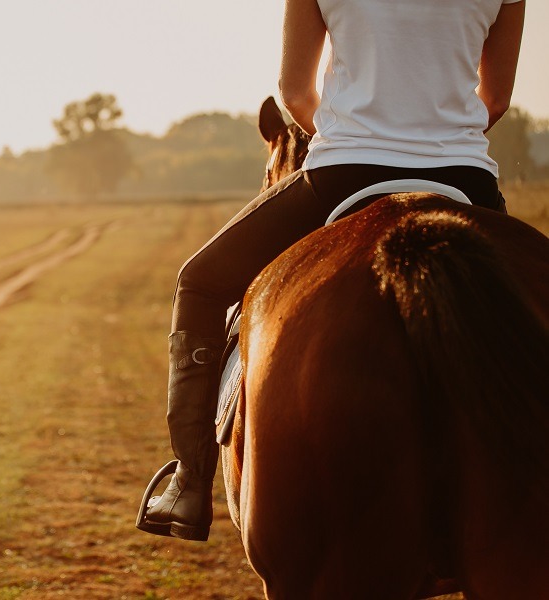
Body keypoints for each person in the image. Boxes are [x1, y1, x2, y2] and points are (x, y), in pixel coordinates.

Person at [137, 0, 525, 542]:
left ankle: (190, 482)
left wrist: (365, 130)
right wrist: (434, 133)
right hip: (465, 177)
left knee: (198, 283)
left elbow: (294, 93)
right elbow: (497, 97)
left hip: (345, 171)